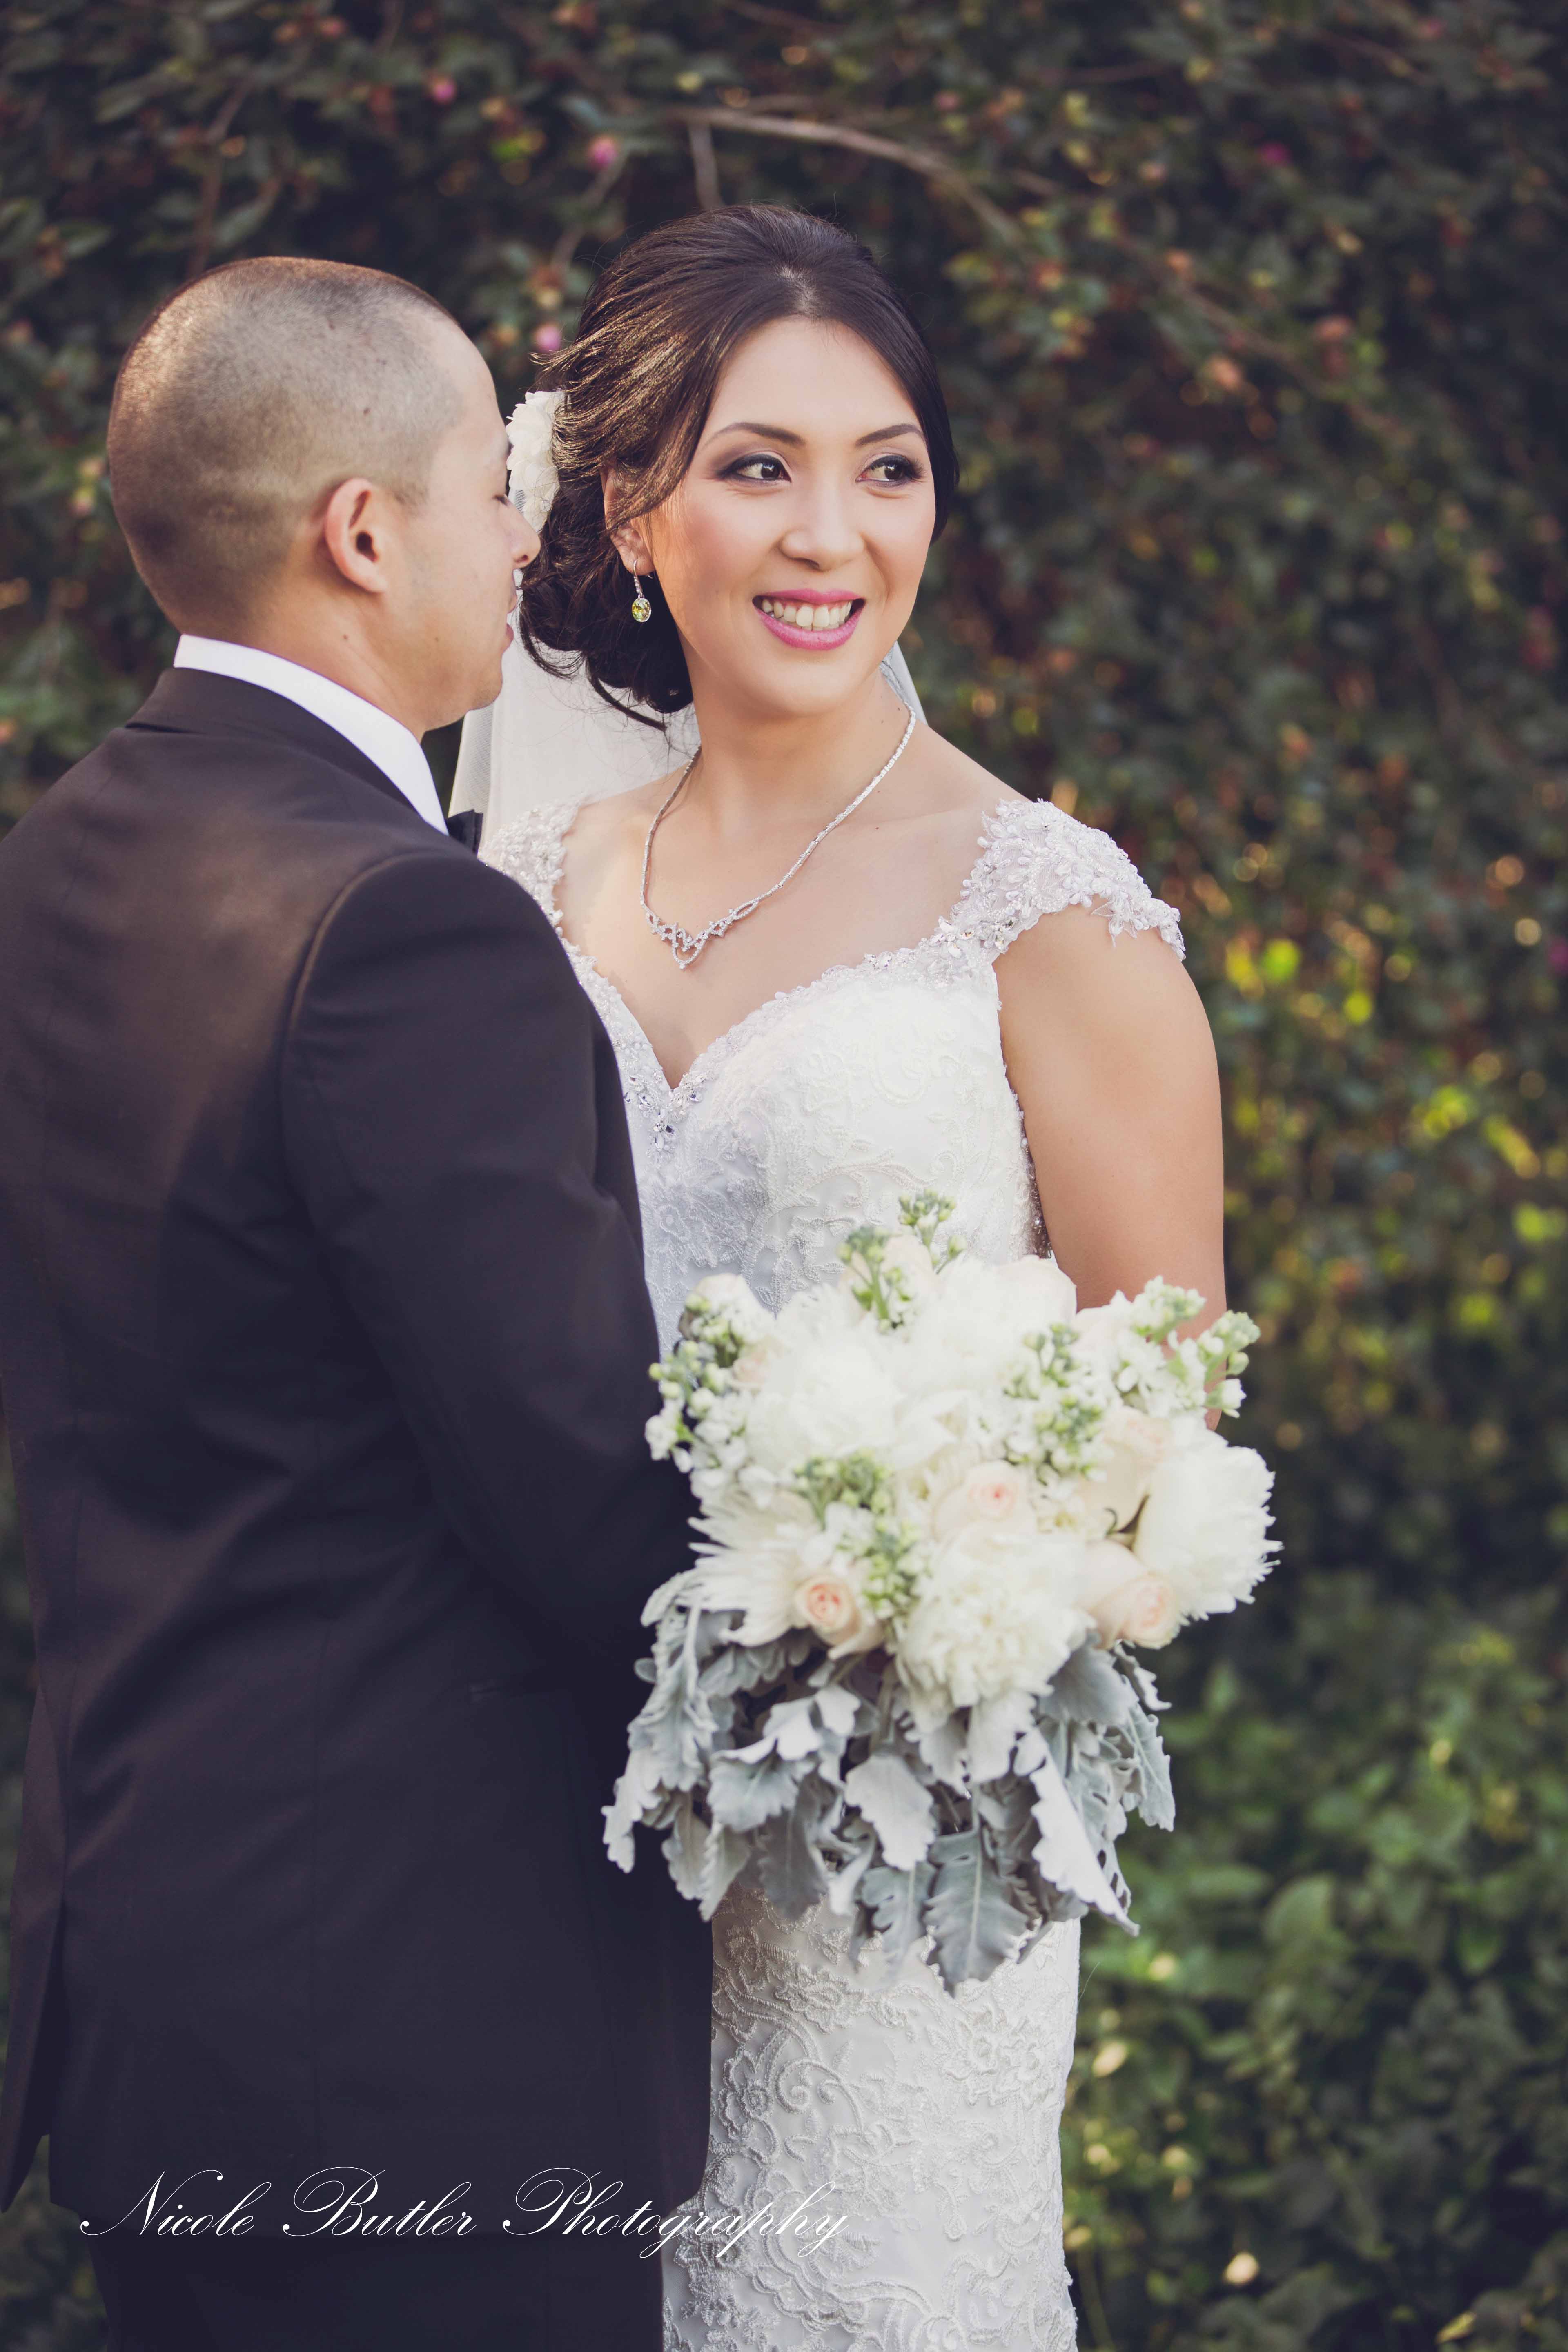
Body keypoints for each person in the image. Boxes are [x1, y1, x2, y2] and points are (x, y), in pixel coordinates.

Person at [468, 204, 1225, 2350]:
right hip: (550, 1818)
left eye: (888, 467)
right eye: (759, 465)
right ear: (634, 513)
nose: (833, 534)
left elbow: (1162, 1426)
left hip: (894, 1862)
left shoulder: (1051, 916)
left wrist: (907, 1589)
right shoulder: (533, 890)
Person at [0, 255, 710, 2351]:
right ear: (364, 534)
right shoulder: (409, 925)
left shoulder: (55, 864)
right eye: (494, 483)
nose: (525, 527)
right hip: (416, 2031)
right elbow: (581, 1492)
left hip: (157, 1966)